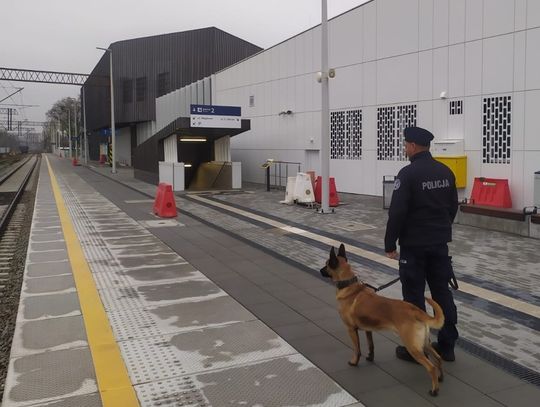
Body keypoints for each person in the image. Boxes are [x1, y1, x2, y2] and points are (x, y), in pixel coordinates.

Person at [384, 126, 459, 362]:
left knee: (414, 297)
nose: (405, 149)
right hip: (439, 244)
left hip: (414, 247)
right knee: (441, 294)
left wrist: (390, 243)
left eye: (406, 145)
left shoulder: (407, 174)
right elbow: (452, 207)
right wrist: (440, 228)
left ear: (413, 146)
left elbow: (397, 212)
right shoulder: (446, 172)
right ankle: (447, 346)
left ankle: (417, 347)